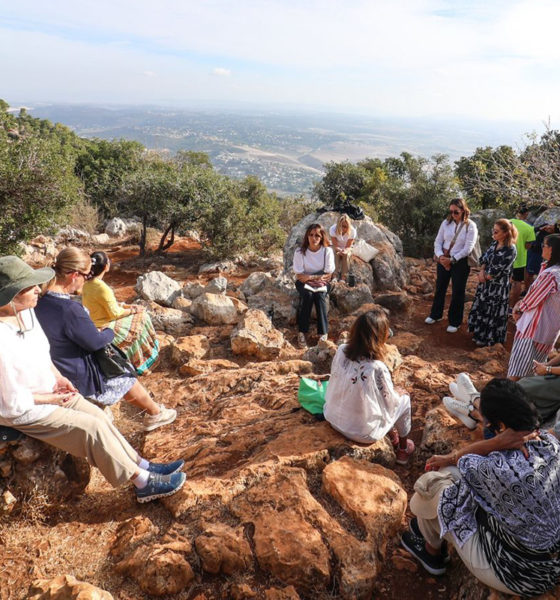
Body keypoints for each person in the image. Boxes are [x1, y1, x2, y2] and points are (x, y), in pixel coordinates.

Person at [0, 256, 185, 503]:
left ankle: (142, 464)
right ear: (10, 296)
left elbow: (42, 354)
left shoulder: (27, 313)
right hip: (25, 407)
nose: (37, 289)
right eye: (28, 286)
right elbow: (11, 400)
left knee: (99, 416)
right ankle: (142, 482)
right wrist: (50, 397)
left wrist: (59, 377)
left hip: (50, 390)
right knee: (92, 429)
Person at [402, 378, 560, 597]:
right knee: (458, 484)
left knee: (431, 487)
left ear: (502, 428)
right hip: (551, 562)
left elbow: (460, 461)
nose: (484, 425)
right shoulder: (550, 444)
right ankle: (429, 532)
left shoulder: (494, 468)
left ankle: (432, 553)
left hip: (519, 573)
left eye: (486, 421)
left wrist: (495, 442)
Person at [35, 248, 176, 431]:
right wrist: (108, 331)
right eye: (86, 276)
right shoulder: (69, 309)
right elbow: (95, 342)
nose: (87, 279)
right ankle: (155, 413)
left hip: (54, 362)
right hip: (75, 372)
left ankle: (154, 412)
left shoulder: (40, 300)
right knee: (122, 372)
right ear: (74, 275)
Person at [323, 308, 415, 465]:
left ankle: (392, 433)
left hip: (332, 417)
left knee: (370, 398)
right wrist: (397, 393)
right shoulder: (376, 367)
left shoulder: (341, 350)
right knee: (404, 400)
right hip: (362, 433)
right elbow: (390, 403)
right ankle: (402, 449)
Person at [82, 251, 159, 375]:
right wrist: (134, 310)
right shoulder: (102, 287)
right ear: (106, 266)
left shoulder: (87, 284)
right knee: (142, 318)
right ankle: (140, 364)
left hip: (93, 324)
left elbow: (108, 304)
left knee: (137, 316)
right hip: (104, 326)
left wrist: (127, 306)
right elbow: (115, 313)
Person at [508, 234, 560, 380]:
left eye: (544, 245)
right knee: (533, 372)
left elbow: (533, 299)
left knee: (517, 372)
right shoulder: (552, 271)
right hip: (548, 332)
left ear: (552, 250)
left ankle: (505, 399)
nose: (542, 247)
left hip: (533, 329)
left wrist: (519, 308)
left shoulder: (551, 274)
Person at [425, 198, 478, 333]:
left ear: (463, 210)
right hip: (443, 259)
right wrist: (440, 256)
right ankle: (435, 314)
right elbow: (438, 241)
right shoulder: (446, 223)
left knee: (458, 291)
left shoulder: (470, 226)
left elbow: (468, 247)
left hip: (460, 262)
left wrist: (453, 259)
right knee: (440, 287)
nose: (453, 215)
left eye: (456, 212)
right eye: (451, 211)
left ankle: (455, 321)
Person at [467, 219, 517, 347]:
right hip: (485, 285)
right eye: (493, 230)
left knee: (493, 312)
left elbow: (499, 269)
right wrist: (482, 271)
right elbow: (484, 258)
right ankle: (479, 335)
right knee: (482, 308)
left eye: (496, 231)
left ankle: (490, 340)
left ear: (505, 233)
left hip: (498, 288)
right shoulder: (494, 243)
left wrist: (486, 276)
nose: (493, 233)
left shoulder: (510, 249)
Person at [293, 223, 335, 348]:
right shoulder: (300, 252)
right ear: (307, 236)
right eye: (311, 235)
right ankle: (302, 333)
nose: (314, 238)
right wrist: (317, 276)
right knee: (308, 295)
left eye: (317, 235)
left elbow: (328, 272)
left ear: (322, 237)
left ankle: (323, 334)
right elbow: (299, 275)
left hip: (322, 283)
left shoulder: (327, 251)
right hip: (304, 283)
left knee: (320, 296)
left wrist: (311, 277)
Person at [509, 204, 536, 307]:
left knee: (504, 281)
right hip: (520, 259)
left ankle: (500, 305)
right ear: (526, 214)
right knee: (517, 282)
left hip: (504, 258)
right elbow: (528, 246)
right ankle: (512, 307)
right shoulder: (529, 228)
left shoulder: (507, 223)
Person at [526, 220, 560, 287]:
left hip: (544, 255)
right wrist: (539, 228)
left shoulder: (555, 237)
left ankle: (538, 287)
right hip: (534, 252)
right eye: (548, 226)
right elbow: (532, 231)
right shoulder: (543, 227)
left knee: (541, 272)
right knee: (530, 272)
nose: (548, 228)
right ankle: (528, 289)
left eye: (551, 228)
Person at [329, 214, 357, 282]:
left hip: (347, 247)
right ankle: (334, 276)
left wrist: (344, 251)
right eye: (341, 226)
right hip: (336, 246)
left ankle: (343, 277)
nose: (343, 228)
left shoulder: (352, 231)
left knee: (346, 255)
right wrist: (339, 250)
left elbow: (348, 246)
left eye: (345, 226)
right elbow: (335, 245)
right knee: (336, 254)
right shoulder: (333, 229)